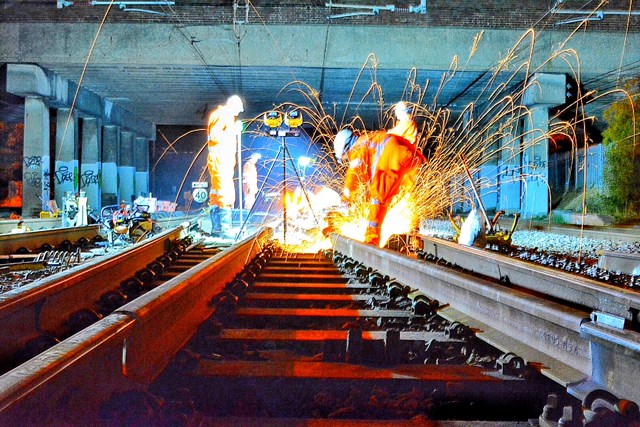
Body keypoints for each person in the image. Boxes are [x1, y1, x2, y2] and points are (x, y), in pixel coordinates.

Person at [333, 128, 425, 246]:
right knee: (402, 197)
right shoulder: (368, 139)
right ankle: (414, 231)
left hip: (391, 163)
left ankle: (371, 241)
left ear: (345, 150)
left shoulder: (356, 150)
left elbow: (353, 176)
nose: (347, 160)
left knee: (377, 200)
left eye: (345, 158)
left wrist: (346, 201)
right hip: (409, 157)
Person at [206, 95, 244, 237]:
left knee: (216, 194)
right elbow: (215, 136)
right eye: (237, 111)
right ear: (232, 105)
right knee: (226, 193)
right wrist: (234, 131)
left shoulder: (221, 114)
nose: (237, 114)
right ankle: (225, 231)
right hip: (221, 160)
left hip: (220, 161)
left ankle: (216, 229)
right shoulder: (224, 114)